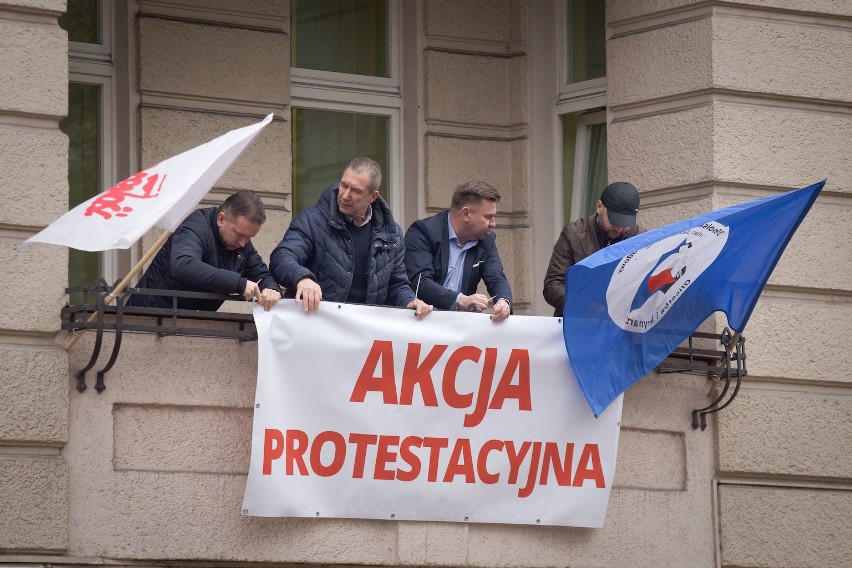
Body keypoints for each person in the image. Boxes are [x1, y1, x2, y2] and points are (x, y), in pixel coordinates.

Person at [269, 157, 432, 319]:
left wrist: (410, 301)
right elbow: (281, 257)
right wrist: (302, 278)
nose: (345, 195)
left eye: (356, 191)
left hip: (364, 332)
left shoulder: (392, 233)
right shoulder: (312, 221)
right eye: (343, 185)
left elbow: (397, 284)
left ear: (373, 197)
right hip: (315, 328)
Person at [128, 190, 281, 311]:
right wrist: (238, 283)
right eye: (239, 234)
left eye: (249, 237)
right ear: (221, 219)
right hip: (148, 316)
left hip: (189, 322)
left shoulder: (242, 244)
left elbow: (262, 275)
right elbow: (184, 265)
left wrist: (272, 290)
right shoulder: (196, 227)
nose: (243, 243)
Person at [404, 180, 512, 322]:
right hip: (421, 322)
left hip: (459, 329)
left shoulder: (486, 240)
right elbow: (421, 283)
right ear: (466, 214)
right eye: (488, 217)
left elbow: (496, 277)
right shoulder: (423, 232)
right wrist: (460, 300)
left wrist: (504, 302)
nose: (493, 223)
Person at [543, 181, 641, 316]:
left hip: (622, 324)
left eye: (625, 223)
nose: (619, 229)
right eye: (614, 220)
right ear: (599, 207)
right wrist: (585, 306)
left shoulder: (640, 239)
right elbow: (553, 284)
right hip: (579, 322)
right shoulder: (573, 235)